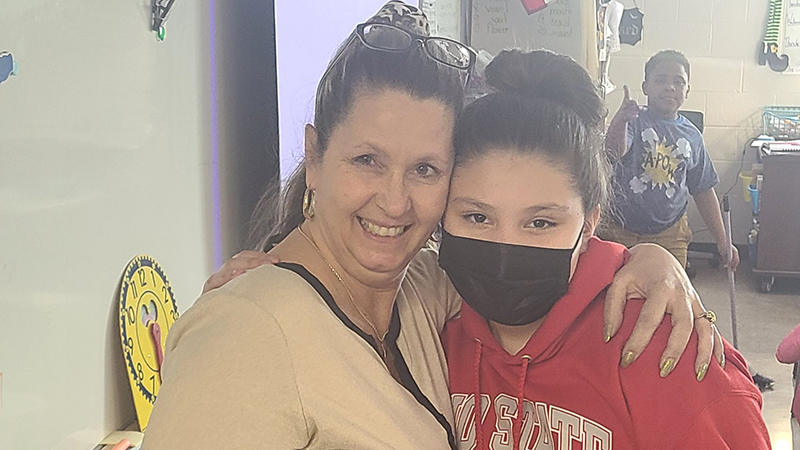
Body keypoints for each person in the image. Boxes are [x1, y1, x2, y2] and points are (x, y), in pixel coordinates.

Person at [146, 3, 720, 448]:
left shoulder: (423, 289)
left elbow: (544, 251)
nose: (394, 203)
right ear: (315, 158)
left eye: (425, 169)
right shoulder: (244, 334)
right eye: (366, 160)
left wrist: (649, 259)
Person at [440, 49, 769, 449]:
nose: (506, 247)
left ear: (589, 223)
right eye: (477, 218)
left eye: (541, 223)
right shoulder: (425, 322)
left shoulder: (666, 348)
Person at [603, 50, 740, 271]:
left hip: (670, 234)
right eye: (661, 80)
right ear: (646, 86)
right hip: (618, 229)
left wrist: (723, 240)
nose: (670, 87)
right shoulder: (633, 122)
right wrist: (620, 121)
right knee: (613, 295)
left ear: (687, 90)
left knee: (669, 297)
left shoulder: (692, 136)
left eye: (679, 81)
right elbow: (613, 153)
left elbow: (704, 190)